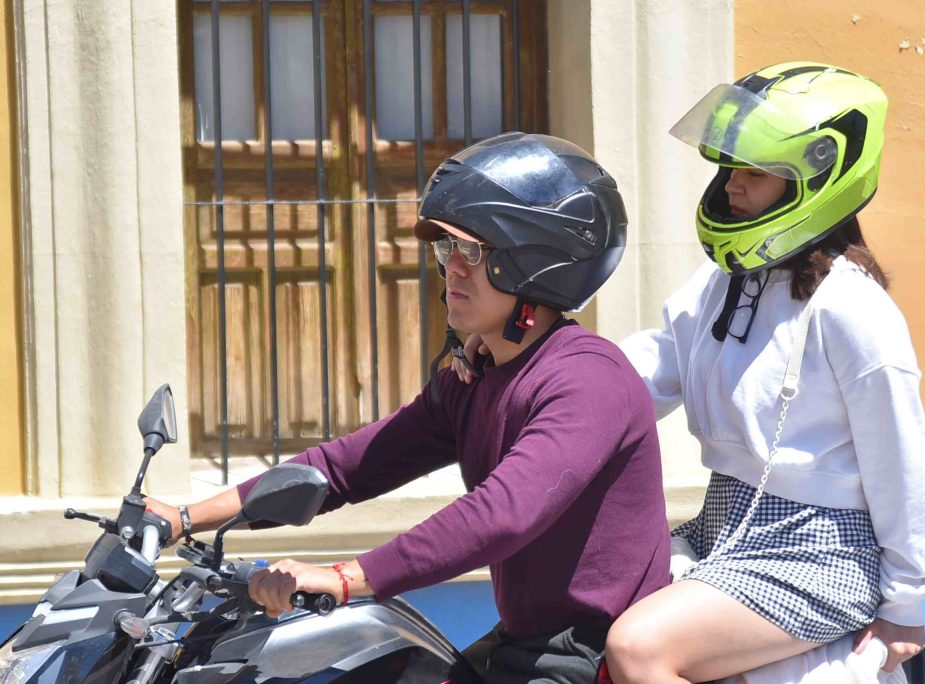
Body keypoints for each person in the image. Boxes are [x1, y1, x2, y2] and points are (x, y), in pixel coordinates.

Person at [456, 63, 925, 683]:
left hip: (820, 549)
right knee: (585, 604)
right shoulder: (724, 283)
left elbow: (906, 460)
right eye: (728, 168)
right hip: (724, 520)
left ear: (821, 180)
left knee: (639, 647)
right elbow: (640, 374)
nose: (732, 186)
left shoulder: (854, 309)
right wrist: (527, 368)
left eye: (755, 172)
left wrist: (907, 600)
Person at [147, 132, 670, 684]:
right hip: (522, 643)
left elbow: (502, 513)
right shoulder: (475, 377)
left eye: (471, 250)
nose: (451, 269)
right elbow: (344, 468)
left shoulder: (588, 378)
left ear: (535, 263)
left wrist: (348, 576)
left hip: (586, 659)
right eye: (446, 250)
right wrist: (183, 519)